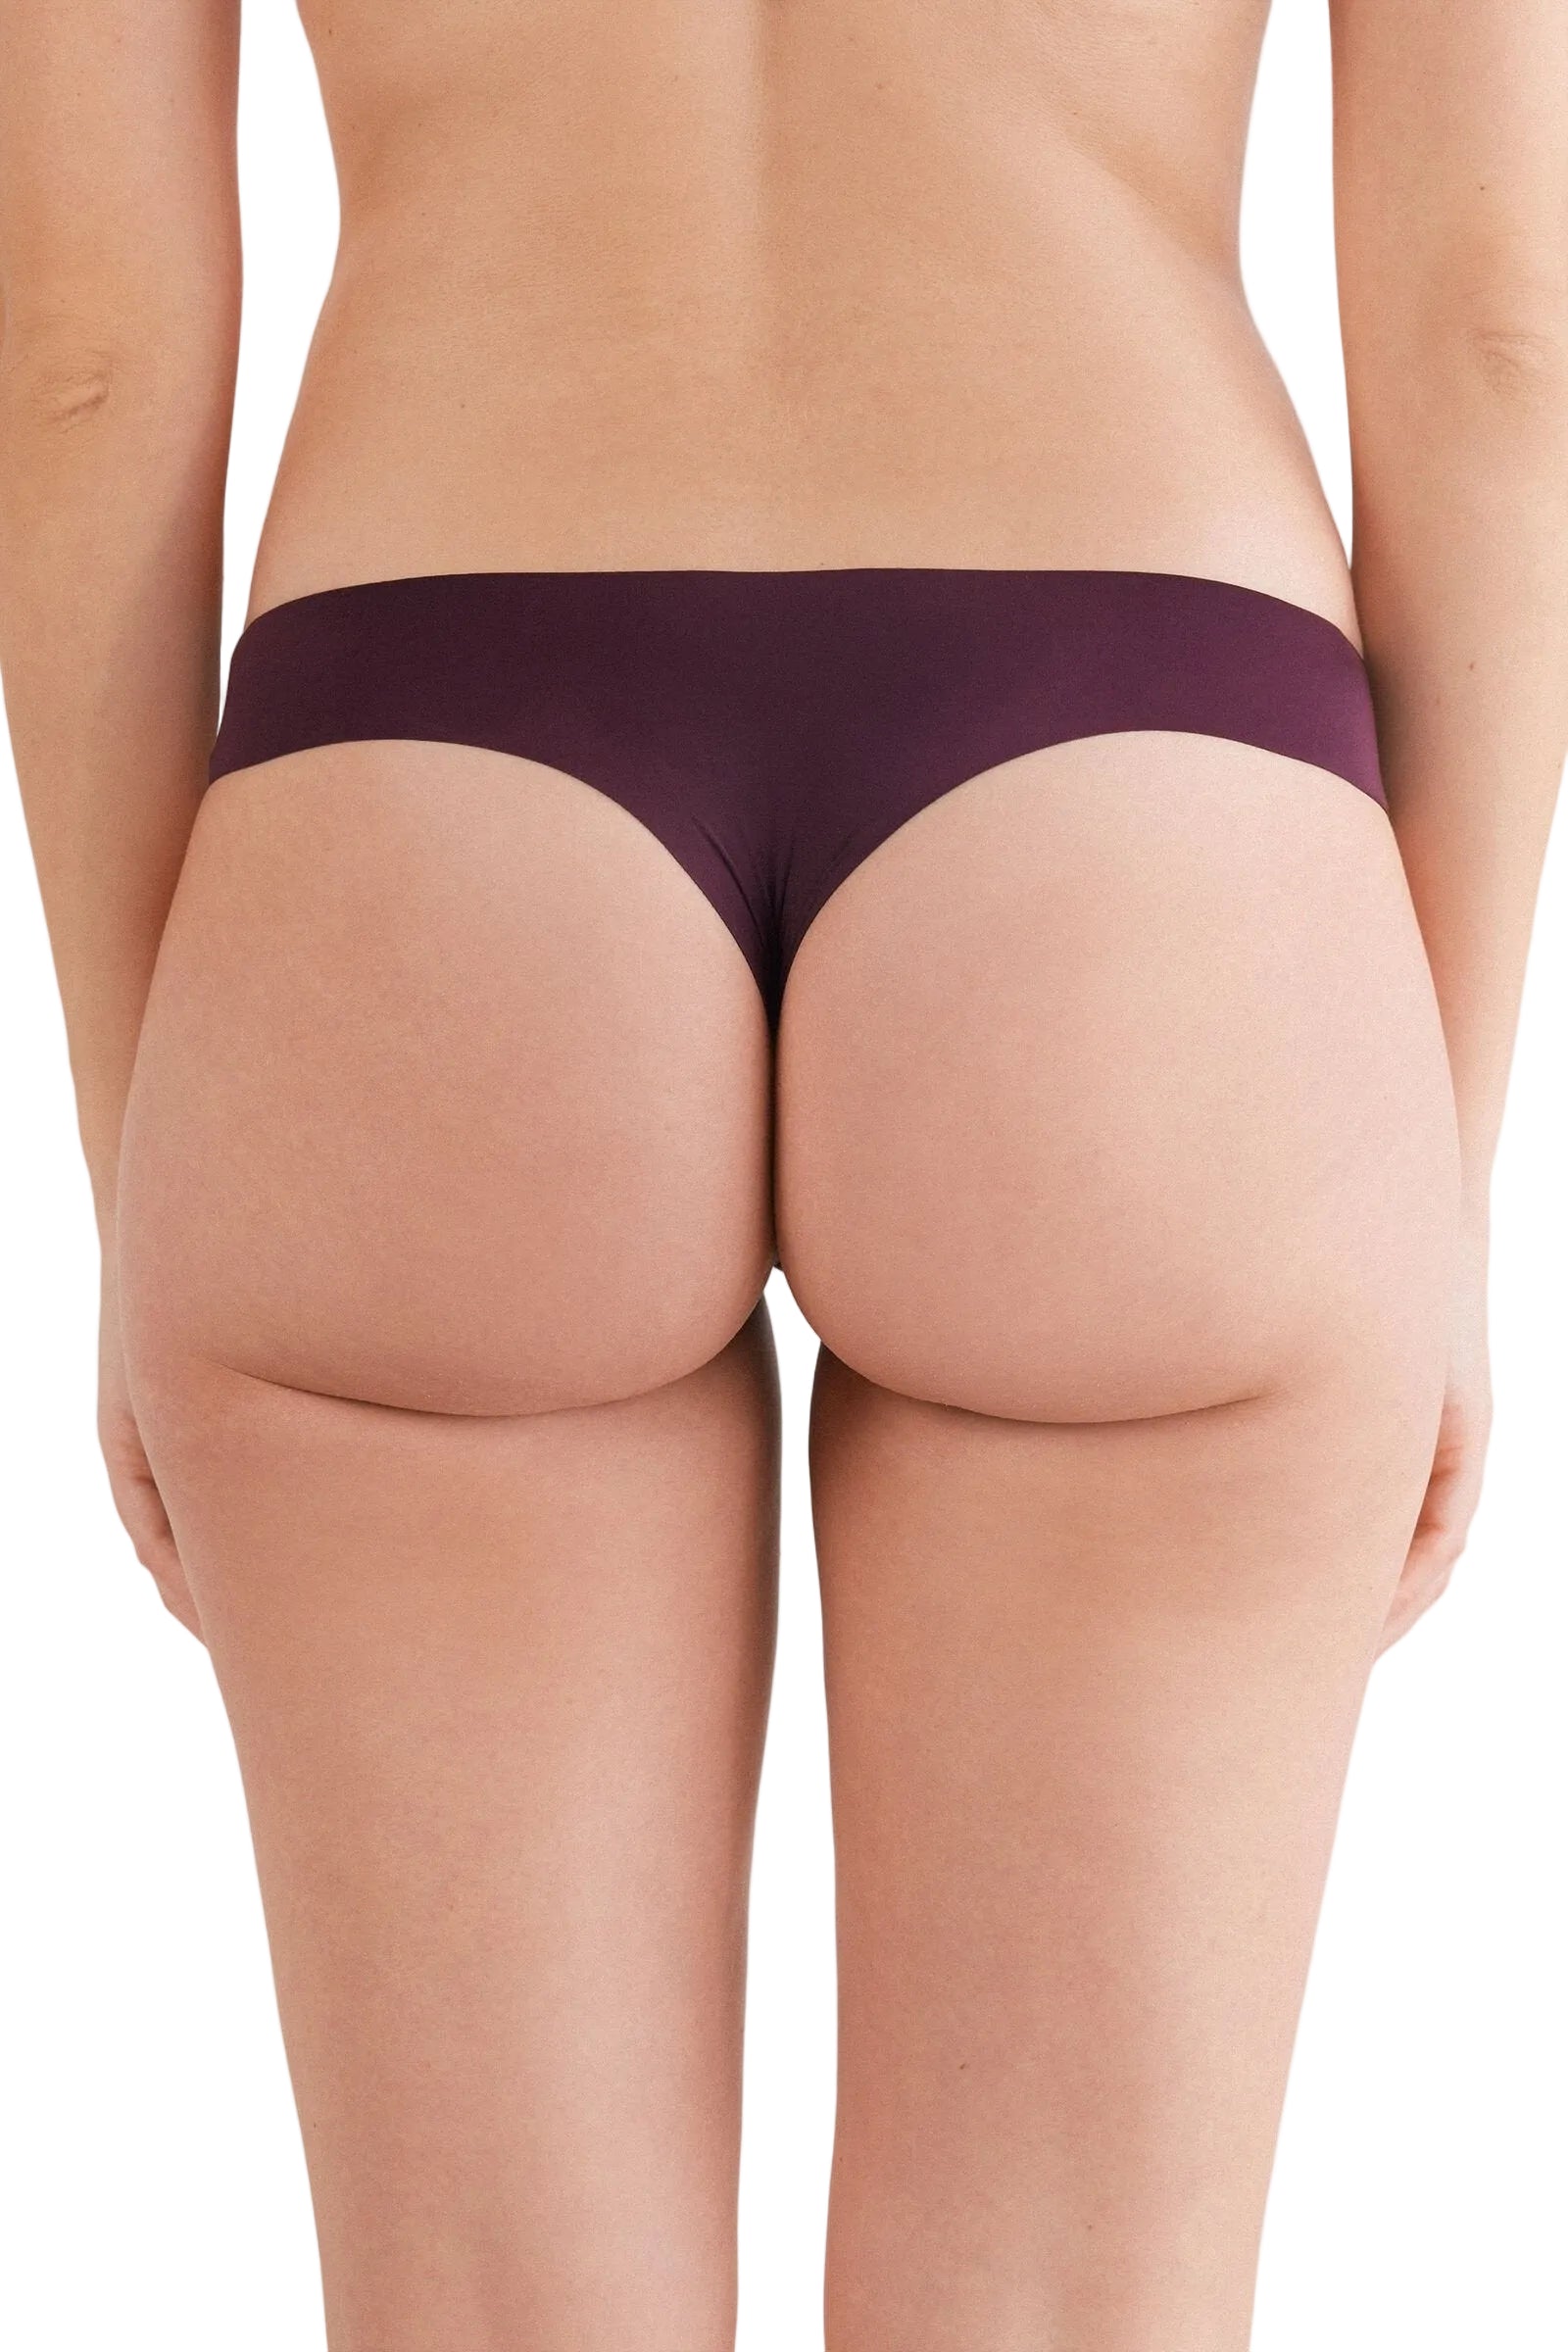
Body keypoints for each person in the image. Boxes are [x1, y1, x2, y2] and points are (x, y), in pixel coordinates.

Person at [2, 2, 1564, 2345]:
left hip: (427, 782)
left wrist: (156, 1140)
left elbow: (79, 359)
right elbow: (1499, 333)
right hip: (1144, 801)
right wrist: (1426, 1143)